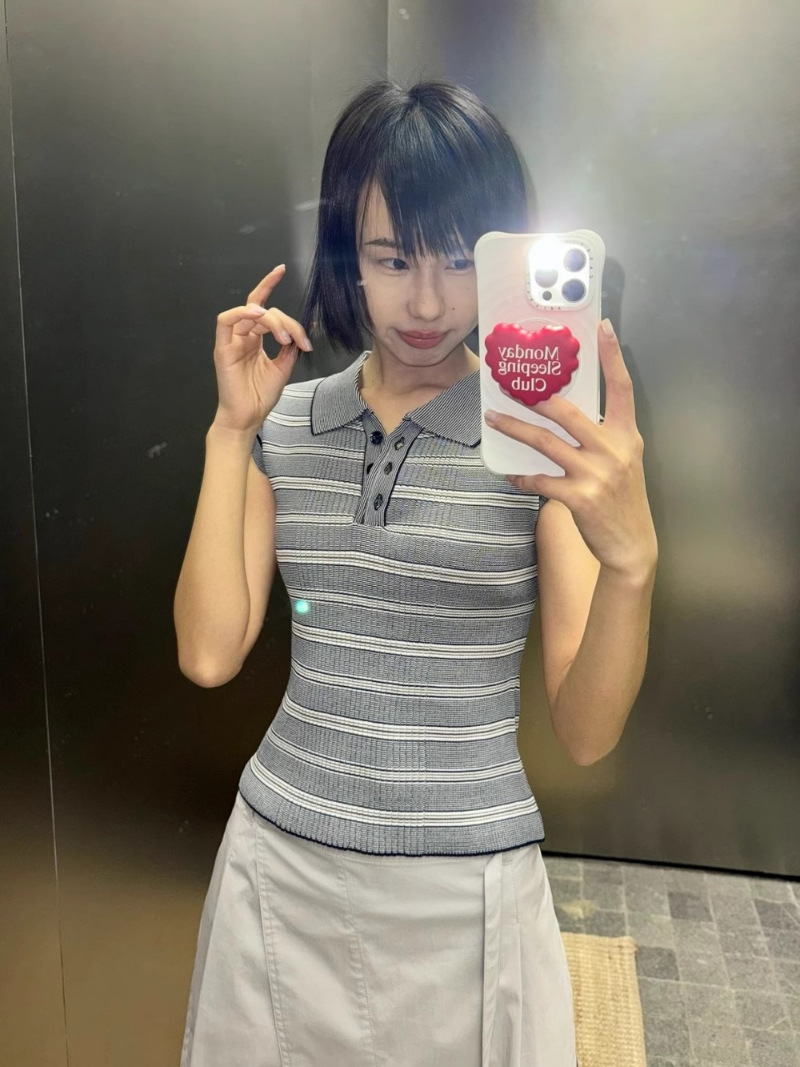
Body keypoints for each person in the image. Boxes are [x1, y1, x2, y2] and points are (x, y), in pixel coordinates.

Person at [173, 78, 658, 1067]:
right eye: (392, 259)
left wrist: (631, 566)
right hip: (281, 870)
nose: (429, 301)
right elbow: (209, 653)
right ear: (347, 255)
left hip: (467, 896)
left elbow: (585, 732)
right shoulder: (286, 422)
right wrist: (230, 430)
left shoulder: (537, 444)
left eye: (458, 258)